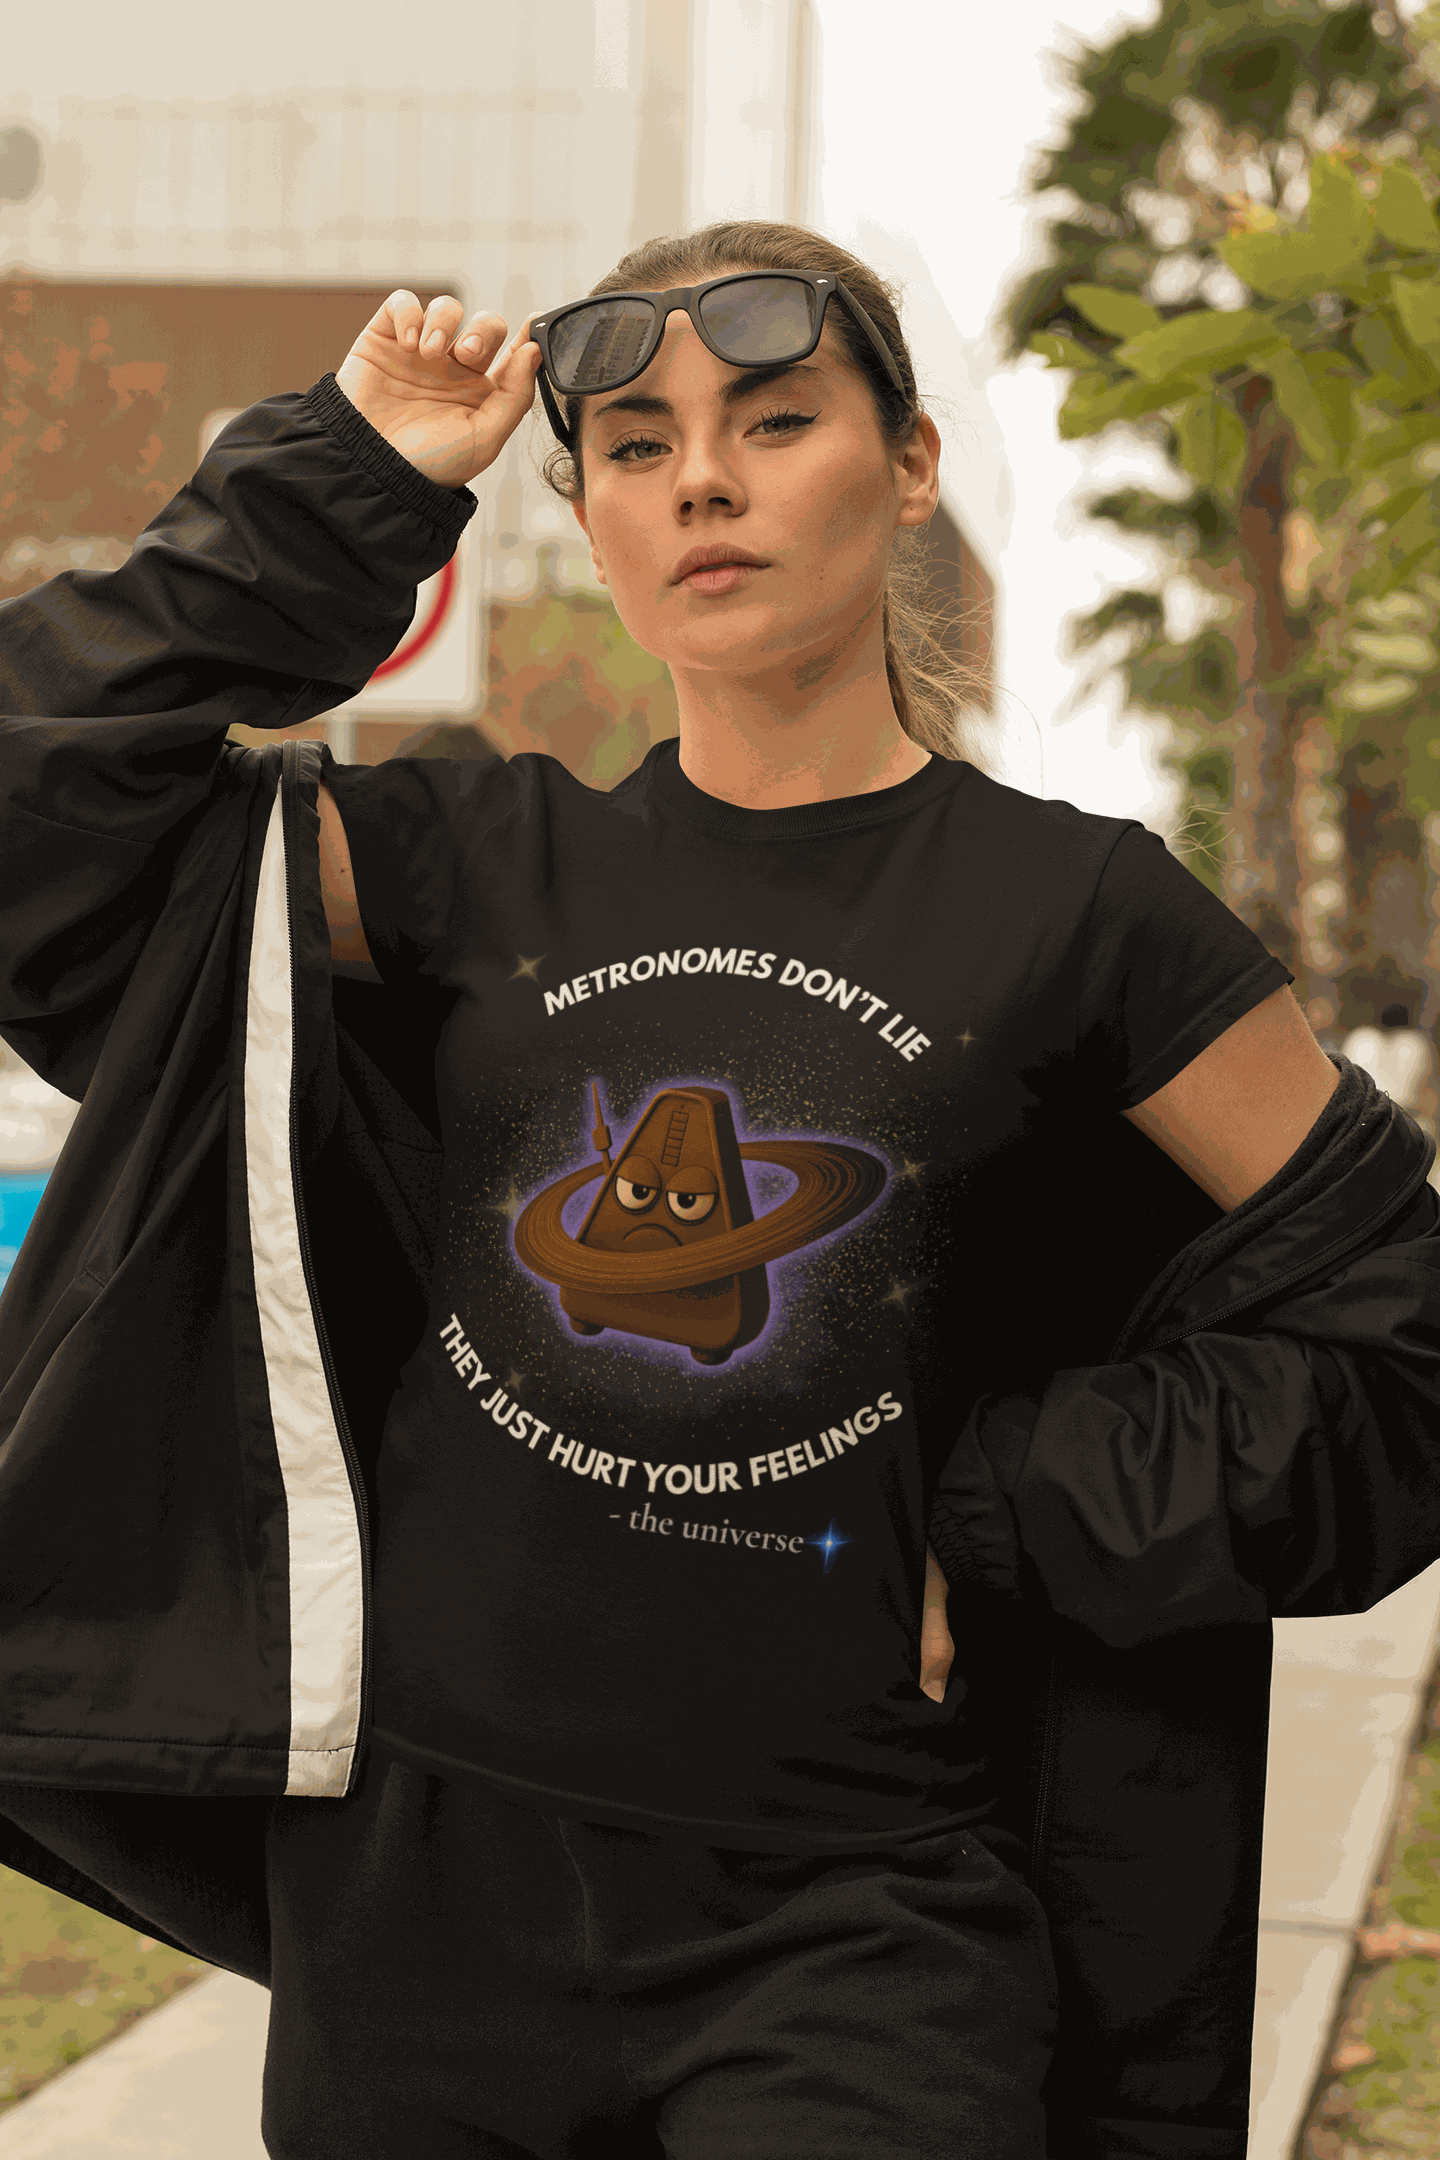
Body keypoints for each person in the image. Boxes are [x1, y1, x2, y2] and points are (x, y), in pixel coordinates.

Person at [1, 221, 1439, 2160]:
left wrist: (1025, 1498)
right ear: (588, 513)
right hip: (424, 1911)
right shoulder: (462, 864)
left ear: (907, 466)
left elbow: (1399, 1329)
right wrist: (349, 485)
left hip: (856, 1927)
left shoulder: (1084, 918)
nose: (701, 477)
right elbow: (38, 801)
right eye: (635, 444)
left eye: (773, 419)